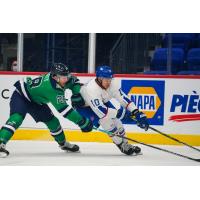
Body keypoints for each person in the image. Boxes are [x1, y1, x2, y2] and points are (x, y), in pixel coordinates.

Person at [0, 63, 93, 157]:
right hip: (21, 96)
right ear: (55, 77)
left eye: (67, 75)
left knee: (53, 122)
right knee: (16, 118)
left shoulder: (61, 79)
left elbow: (75, 82)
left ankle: (63, 144)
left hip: (36, 101)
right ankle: (1, 142)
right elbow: (65, 111)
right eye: (63, 77)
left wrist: (76, 93)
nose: (66, 78)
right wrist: (82, 121)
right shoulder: (51, 89)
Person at [74, 65, 149, 156]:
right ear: (99, 78)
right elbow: (101, 112)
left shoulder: (112, 84)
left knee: (118, 122)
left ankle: (126, 144)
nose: (109, 82)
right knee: (106, 122)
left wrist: (136, 112)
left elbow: (123, 99)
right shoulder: (92, 89)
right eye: (106, 80)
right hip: (84, 107)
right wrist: (120, 114)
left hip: (101, 102)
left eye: (110, 79)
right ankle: (121, 145)